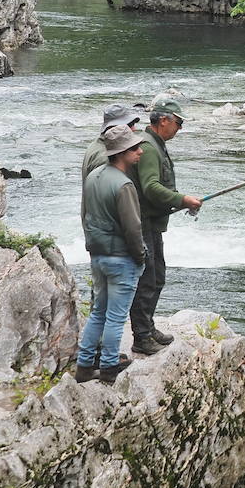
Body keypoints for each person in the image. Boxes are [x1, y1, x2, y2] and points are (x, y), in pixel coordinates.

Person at [130, 95, 203, 355]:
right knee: (147, 280)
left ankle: (147, 327)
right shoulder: (149, 147)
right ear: (163, 120)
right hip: (143, 223)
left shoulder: (155, 143)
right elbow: (150, 187)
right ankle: (141, 337)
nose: (180, 129)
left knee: (157, 276)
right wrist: (182, 199)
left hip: (151, 222)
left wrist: (179, 201)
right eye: (178, 123)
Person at [76, 124, 148, 385]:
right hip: (121, 259)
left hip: (97, 255)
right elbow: (133, 227)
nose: (140, 151)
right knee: (116, 317)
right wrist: (140, 256)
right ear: (121, 153)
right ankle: (108, 367)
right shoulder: (124, 184)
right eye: (134, 148)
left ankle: (84, 366)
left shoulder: (93, 177)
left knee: (98, 312)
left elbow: (85, 215)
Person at [82, 103, 146, 183]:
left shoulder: (96, 144)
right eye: (130, 125)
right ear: (114, 128)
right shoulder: (107, 158)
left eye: (133, 124)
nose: (134, 129)